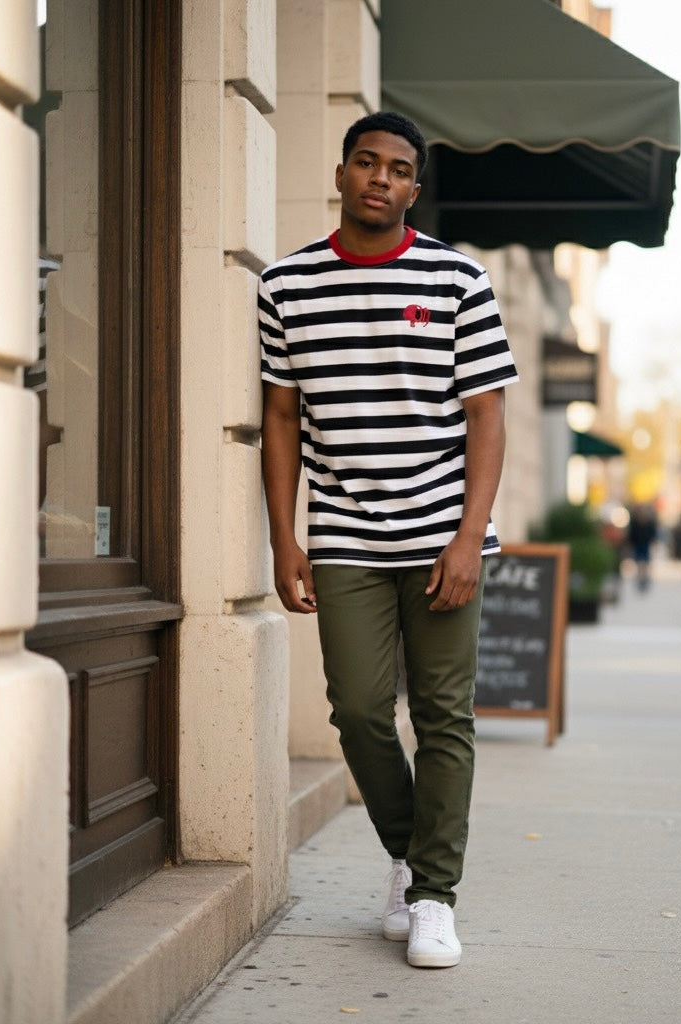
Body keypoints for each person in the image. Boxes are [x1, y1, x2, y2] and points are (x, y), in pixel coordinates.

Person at [259, 111, 518, 969]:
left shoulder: (456, 280)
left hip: (444, 529)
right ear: (340, 175)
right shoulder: (286, 286)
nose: (380, 177)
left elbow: (488, 415)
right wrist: (283, 539)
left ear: (413, 188)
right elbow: (281, 420)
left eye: (398, 168)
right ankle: (411, 858)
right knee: (361, 711)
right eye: (365, 162)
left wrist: (468, 535)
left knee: (444, 715)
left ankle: (435, 895)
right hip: (342, 536)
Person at [627, 502, 658, 592]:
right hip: (638, 545)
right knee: (639, 563)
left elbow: (652, 534)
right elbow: (631, 535)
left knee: (645, 563)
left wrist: (653, 542)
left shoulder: (649, 523)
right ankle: (641, 580)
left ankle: (644, 580)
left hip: (645, 545)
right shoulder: (635, 523)